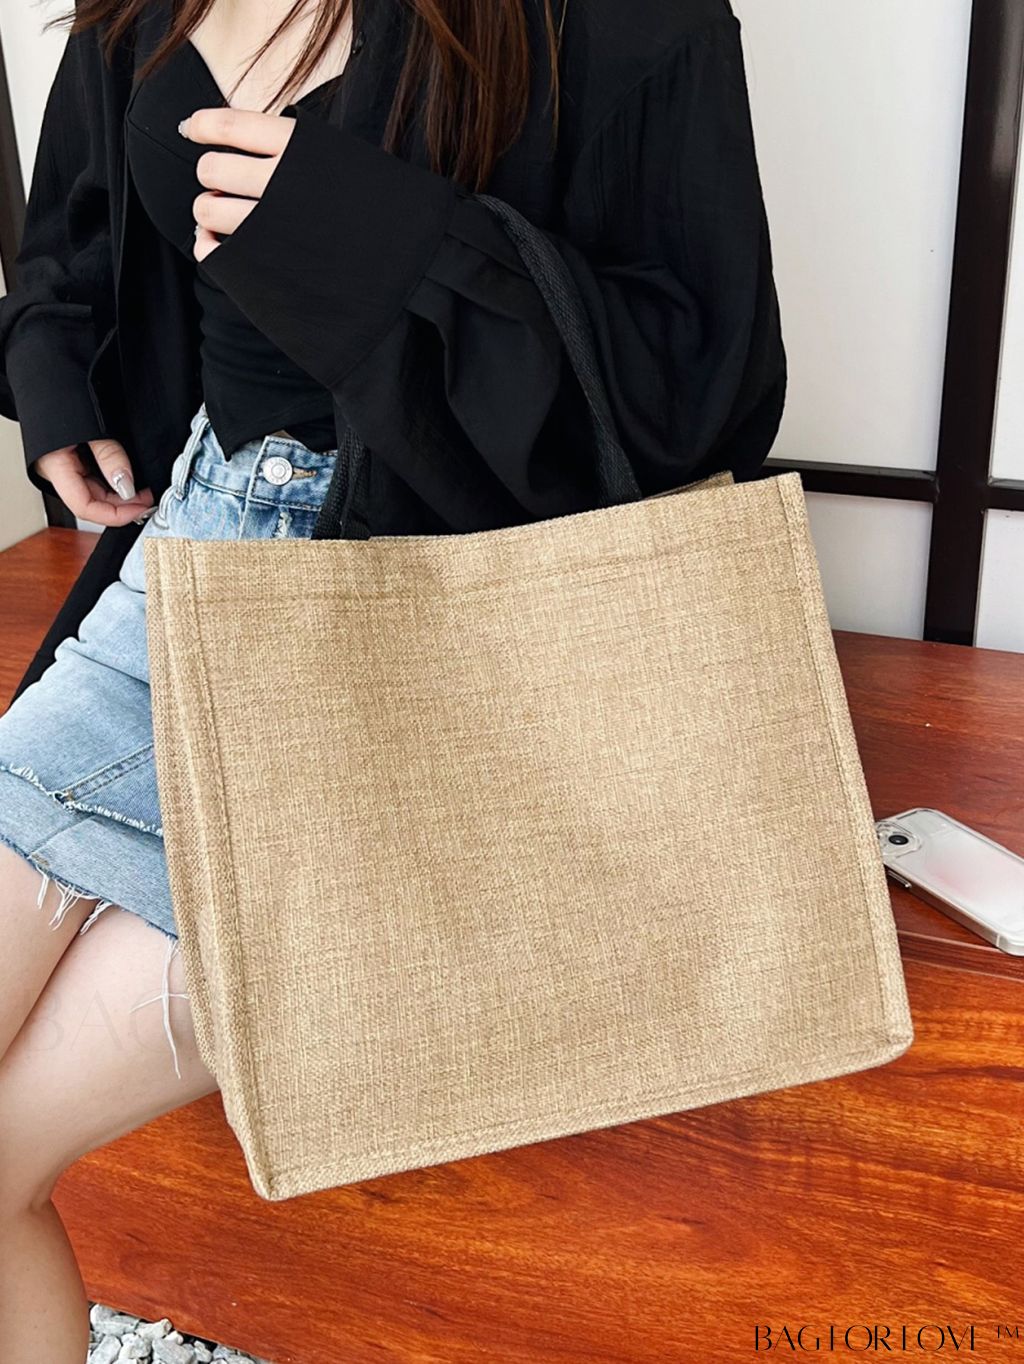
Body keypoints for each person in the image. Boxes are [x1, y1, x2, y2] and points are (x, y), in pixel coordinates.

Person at [0, 0, 787, 1356]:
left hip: (417, 691)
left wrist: (393, 241)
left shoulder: (625, 21)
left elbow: (700, 387)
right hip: (176, 584)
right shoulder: (143, 10)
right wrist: (54, 371)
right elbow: (77, 227)